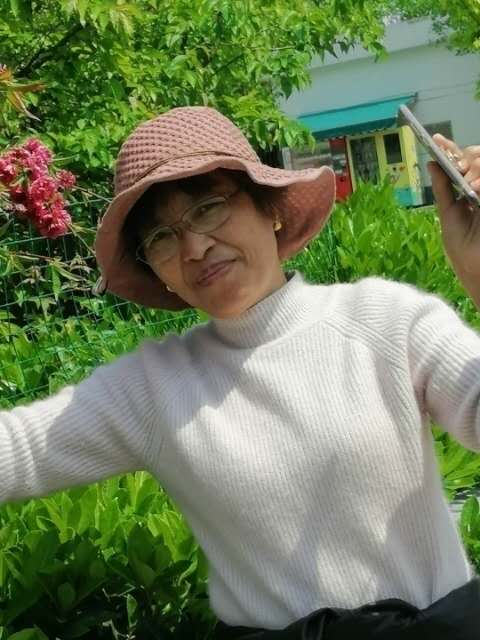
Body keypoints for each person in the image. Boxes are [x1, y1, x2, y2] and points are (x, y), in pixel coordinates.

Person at [2, 106, 480, 639]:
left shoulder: (386, 321)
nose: (194, 247)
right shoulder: (154, 389)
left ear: (268, 207)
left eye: (208, 208)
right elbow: (16, 450)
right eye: (160, 237)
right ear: (155, 270)